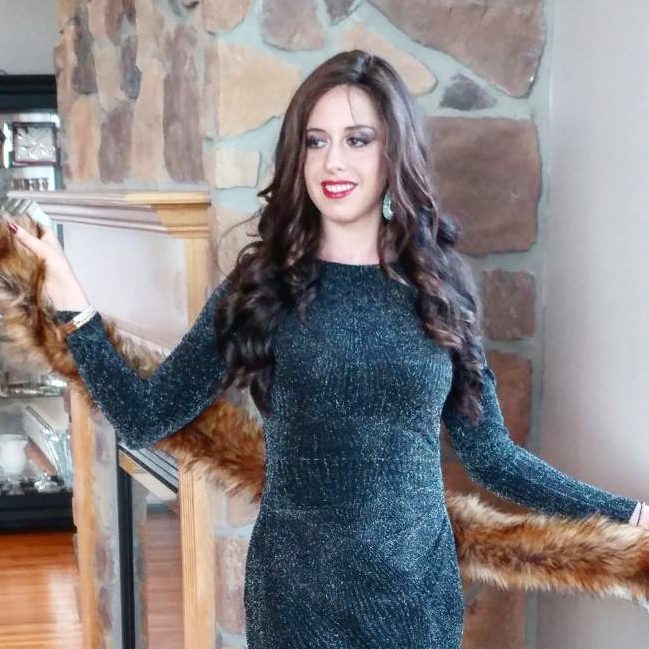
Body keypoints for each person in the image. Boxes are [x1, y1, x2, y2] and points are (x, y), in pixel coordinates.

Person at [7, 50, 648, 648]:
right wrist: (72, 304)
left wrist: (630, 514)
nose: (332, 163)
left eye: (357, 140)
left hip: (417, 601)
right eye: (316, 141)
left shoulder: (442, 288)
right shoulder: (261, 287)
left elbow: (493, 458)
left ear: (393, 151)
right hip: (297, 601)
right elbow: (146, 417)